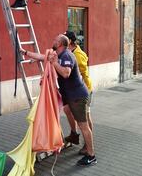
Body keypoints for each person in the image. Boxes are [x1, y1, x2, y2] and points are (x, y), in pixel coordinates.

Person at [20, 34, 97, 166]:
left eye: (55, 40)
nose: (53, 41)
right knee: (68, 111)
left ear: (61, 44)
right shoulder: (58, 54)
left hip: (78, 96)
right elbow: (41, 56)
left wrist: (54, 63)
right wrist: (25, 52)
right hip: (70, 96)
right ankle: (74, 135)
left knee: (83, 125)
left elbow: (66, 73)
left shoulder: (67, 56)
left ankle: (91, 155)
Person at [64, 31, 94, 156]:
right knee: (67, 109)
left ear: (69, 41)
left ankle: (88, 147)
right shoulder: (71, 52)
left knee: (85, 119)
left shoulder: (77, 54)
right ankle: (74, 134)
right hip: (78, 91)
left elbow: (81, 75)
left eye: (64, 38)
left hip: (84, 90)